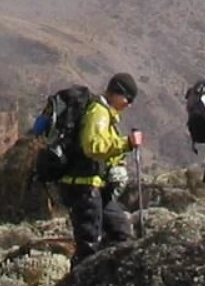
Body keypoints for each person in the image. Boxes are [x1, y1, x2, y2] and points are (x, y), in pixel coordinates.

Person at [59, 73, 144, 263]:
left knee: (120, 230)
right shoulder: (99, 111)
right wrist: (127, 144)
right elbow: (93, 146)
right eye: (128, 99)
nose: (128, 104)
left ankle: (107, 279)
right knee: (89, 246)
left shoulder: (105, 113)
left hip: (94, 186)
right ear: (117, 93)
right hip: (83, 186)